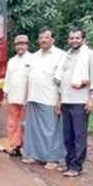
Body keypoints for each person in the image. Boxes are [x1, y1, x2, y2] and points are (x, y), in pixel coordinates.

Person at [54, 27, 93, 177]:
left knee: (79, 136)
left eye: (77, 38)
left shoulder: (90, 55)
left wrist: (92, 99)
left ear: (84, 39)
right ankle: (69, 163)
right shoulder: (66, 56)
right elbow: (62, 80)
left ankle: (76, 167)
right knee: (67, 136)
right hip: (66, 101)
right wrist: (60, 100)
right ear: (69, 40)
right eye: (72, 38)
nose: (74, 40)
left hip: (81, 102)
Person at [22, 27, 66, 170]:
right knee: (34, 129)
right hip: (33, 97)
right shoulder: (35, 55)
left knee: (51, 131)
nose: (43, 40)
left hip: (50, 99)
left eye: (46, 37)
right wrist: (25, 98)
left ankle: (53, 158)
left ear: (52, 39)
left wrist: (60, 100)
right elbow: (29, 78)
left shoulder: (60, 55)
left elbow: (63, 80)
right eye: (41, 38)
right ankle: (36, 155)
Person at [2, 35, 32, 157]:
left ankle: (25, 147)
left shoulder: (33, 59)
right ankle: (14, 146)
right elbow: (8, 79)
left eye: (23, 44)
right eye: (18, 44)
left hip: (26, 98)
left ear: (27, 45)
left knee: (25, 123)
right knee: (12, 123)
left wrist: (29, 97)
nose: (20, 46)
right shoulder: (12, 61)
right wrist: (5, 96)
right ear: (15, 46)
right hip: (13, 97)